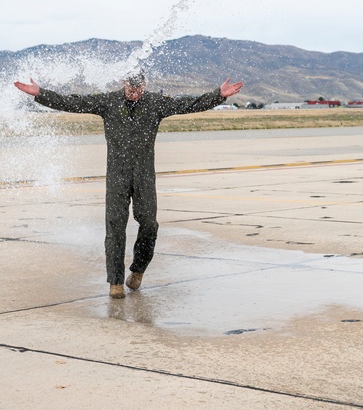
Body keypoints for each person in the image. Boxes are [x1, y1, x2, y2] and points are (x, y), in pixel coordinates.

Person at [14, 70, 243, 298]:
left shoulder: (155, 102)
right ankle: (115, 282)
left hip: (144, 174)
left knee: (149, 224)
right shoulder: (107, 101)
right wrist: (41, 94)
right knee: (115, 227)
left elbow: (188, 104)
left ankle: (138, 269)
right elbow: (73, 102)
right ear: (123, 83)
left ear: (144, 85)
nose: (135, 94)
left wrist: (218, 95)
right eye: (131, 89)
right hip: (117, 175)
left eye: (139, 89)